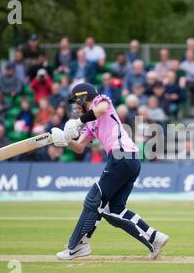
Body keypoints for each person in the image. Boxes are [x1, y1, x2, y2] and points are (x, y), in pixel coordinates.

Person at [51, 83, 169, 260]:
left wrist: (77, 122)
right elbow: (80, 147)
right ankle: (154, 238)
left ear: (84, 98)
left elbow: (101, 109)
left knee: (93, 200)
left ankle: (77, 246)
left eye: (77, 102)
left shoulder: (101, 101)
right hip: (130, 161)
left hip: (121, 156)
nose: (75, 107)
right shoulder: (90, 123)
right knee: (113, 210)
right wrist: (65, 140)